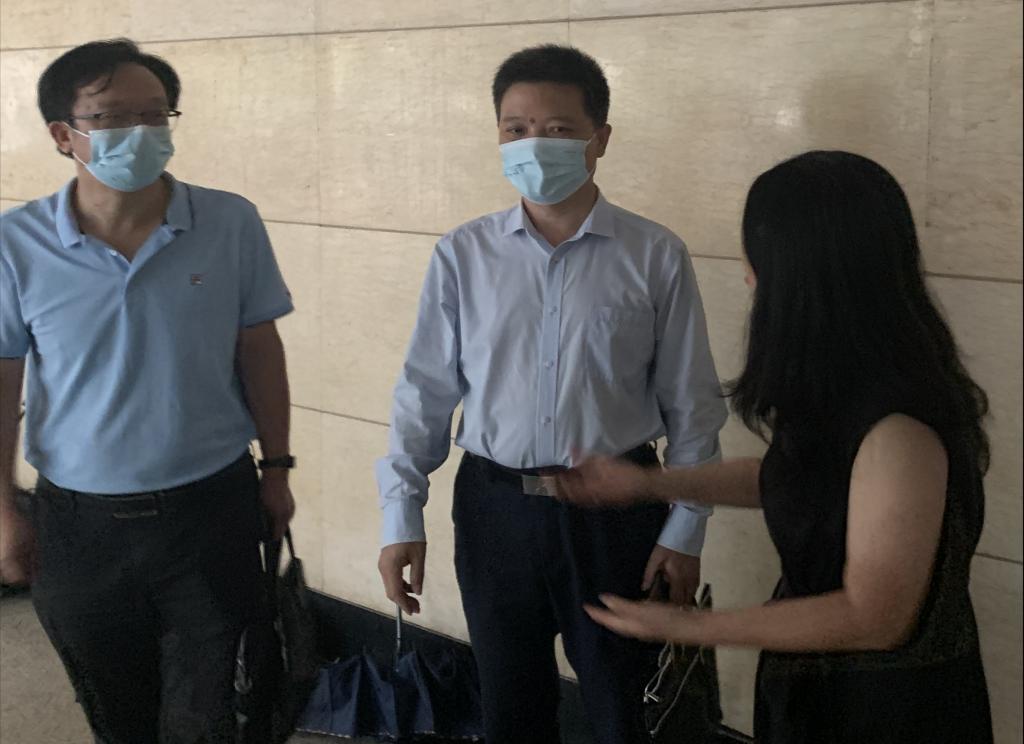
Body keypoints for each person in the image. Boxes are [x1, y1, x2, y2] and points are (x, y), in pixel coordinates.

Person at [556, 151, 994, 744]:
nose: (747, 279)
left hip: (885, 713)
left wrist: (688, 627)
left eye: (757, 264)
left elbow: (875, 616)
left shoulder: (900, 433)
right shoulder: (849, 387)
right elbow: (796, 479)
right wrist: (649, 483)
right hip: (817, 697)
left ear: (804, 280)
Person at [376, 45, 727, 744]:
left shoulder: (654, 254)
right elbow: (423, 394)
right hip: (495, 510)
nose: (534, 145)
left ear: (600, 138)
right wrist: (401, 514)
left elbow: (693, 406)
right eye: (516, 129)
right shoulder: (463, 254)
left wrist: (685, 530)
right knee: (511, 710)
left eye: (559, 129)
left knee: (626, 709)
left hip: (616, 515)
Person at [0, 39, 297, 743]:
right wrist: (2, 507)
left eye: (155, 115)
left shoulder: (228, 221)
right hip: (79, 524)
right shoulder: (16, 243)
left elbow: (259, 350)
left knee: (210, 710)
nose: (138, 132)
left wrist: (277, 468)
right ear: (63, 135)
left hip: (211, 509)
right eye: (110, 117)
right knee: (116, 708)